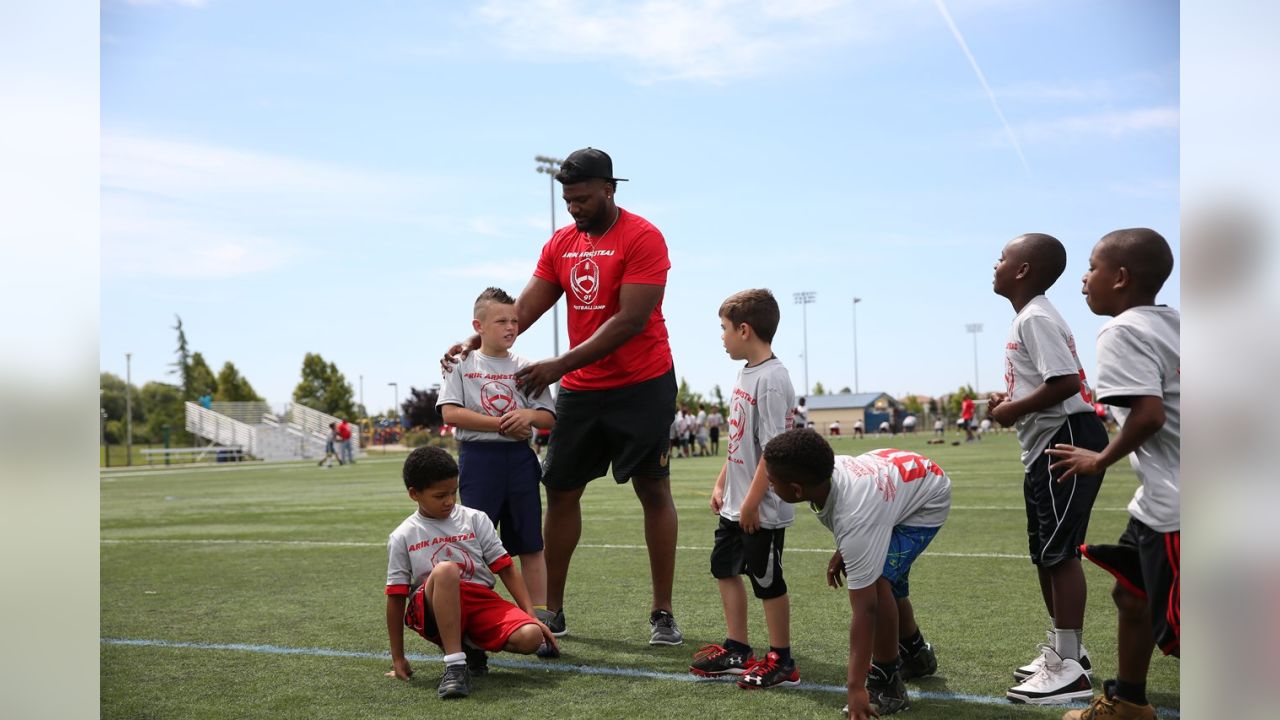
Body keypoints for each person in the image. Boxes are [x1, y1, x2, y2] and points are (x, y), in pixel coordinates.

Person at [440, 147, 682, 646]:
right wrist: (476, 341)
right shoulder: (560, 244)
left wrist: (558, 365)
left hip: (643, 382)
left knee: (652, 489)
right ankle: (553, 609)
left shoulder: (643, 236)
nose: (576, 207)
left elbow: (631, 320)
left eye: (584, 198)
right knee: (562, 490)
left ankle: (662, 612)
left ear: (610, 189)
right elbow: (523, 310)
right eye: (568, 199)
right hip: (584, 388)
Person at [1045, 228, 1179, 720]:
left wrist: (1098, 459)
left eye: (1093, 267)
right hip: (1160, 499)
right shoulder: (1176, 323)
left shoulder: (1122, 330)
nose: (1084, 278)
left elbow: (1148, 415)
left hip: (1179, 504)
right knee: (1131, 591)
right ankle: (1128, 703)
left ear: (1120, 278)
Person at [988, 232, 1108, 705]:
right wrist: (1012, 401)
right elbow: (1047, 382)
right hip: (1046, 443)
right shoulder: (1028, 317)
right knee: (1045, 552)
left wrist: (1013, 411)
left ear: (1022, 271)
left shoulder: (1035, 315)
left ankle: (1070, 668)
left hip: (1067, 439)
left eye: (1002, 258)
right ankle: (1065, 651)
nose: (994, 264)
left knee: (1059, 552)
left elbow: (1062, 384)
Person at [763, 429, 951, 718]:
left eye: (772, 482)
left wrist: (855, 688)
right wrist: (850, 549)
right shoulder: (825, 475)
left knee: (879, 583)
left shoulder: (855, 513)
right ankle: (916, 654)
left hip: (926, 500)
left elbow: (867, 609)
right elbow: (860, 520)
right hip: (895, 484)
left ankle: (887, 684)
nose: (768, 484)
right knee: (884, 573)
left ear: (797, 490)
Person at [384, 447, 559, 700]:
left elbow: (506, 567)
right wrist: (398, 658)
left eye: (453, 492)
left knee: (530, 638)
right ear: (414, 494)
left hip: (480, 602)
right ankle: (455, 665)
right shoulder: (403, 535)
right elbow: (396, 597)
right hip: (433, 607)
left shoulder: (475, 519)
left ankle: (472, 648)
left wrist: (532, 617)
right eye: (440, 495)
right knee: (445, 571)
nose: (449, 501)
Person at [692, 289, 799, 688]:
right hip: (735, 504)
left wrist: (753, 502)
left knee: (766, 580)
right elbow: (741, 439)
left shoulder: (772, 379)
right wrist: (722, 483)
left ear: (744, 329)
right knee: (724, 568)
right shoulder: (746, 372)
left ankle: (782, 660)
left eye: (723, 328)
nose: (721, 337)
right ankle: (738, 647)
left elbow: (774, 451)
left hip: (762, 507)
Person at [436, 287, 557, 617]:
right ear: (479, 326)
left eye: (514, 320)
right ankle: (476, 616)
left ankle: (541, 618)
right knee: (474, 541)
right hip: (479, 460)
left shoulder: (527, 367)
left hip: (519, 460)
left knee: (530, 543)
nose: (510, 327)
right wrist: (504, 423)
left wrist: (529, 416)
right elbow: (450, 413)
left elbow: (548, 416)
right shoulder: (460, 364)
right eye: (501, 320)